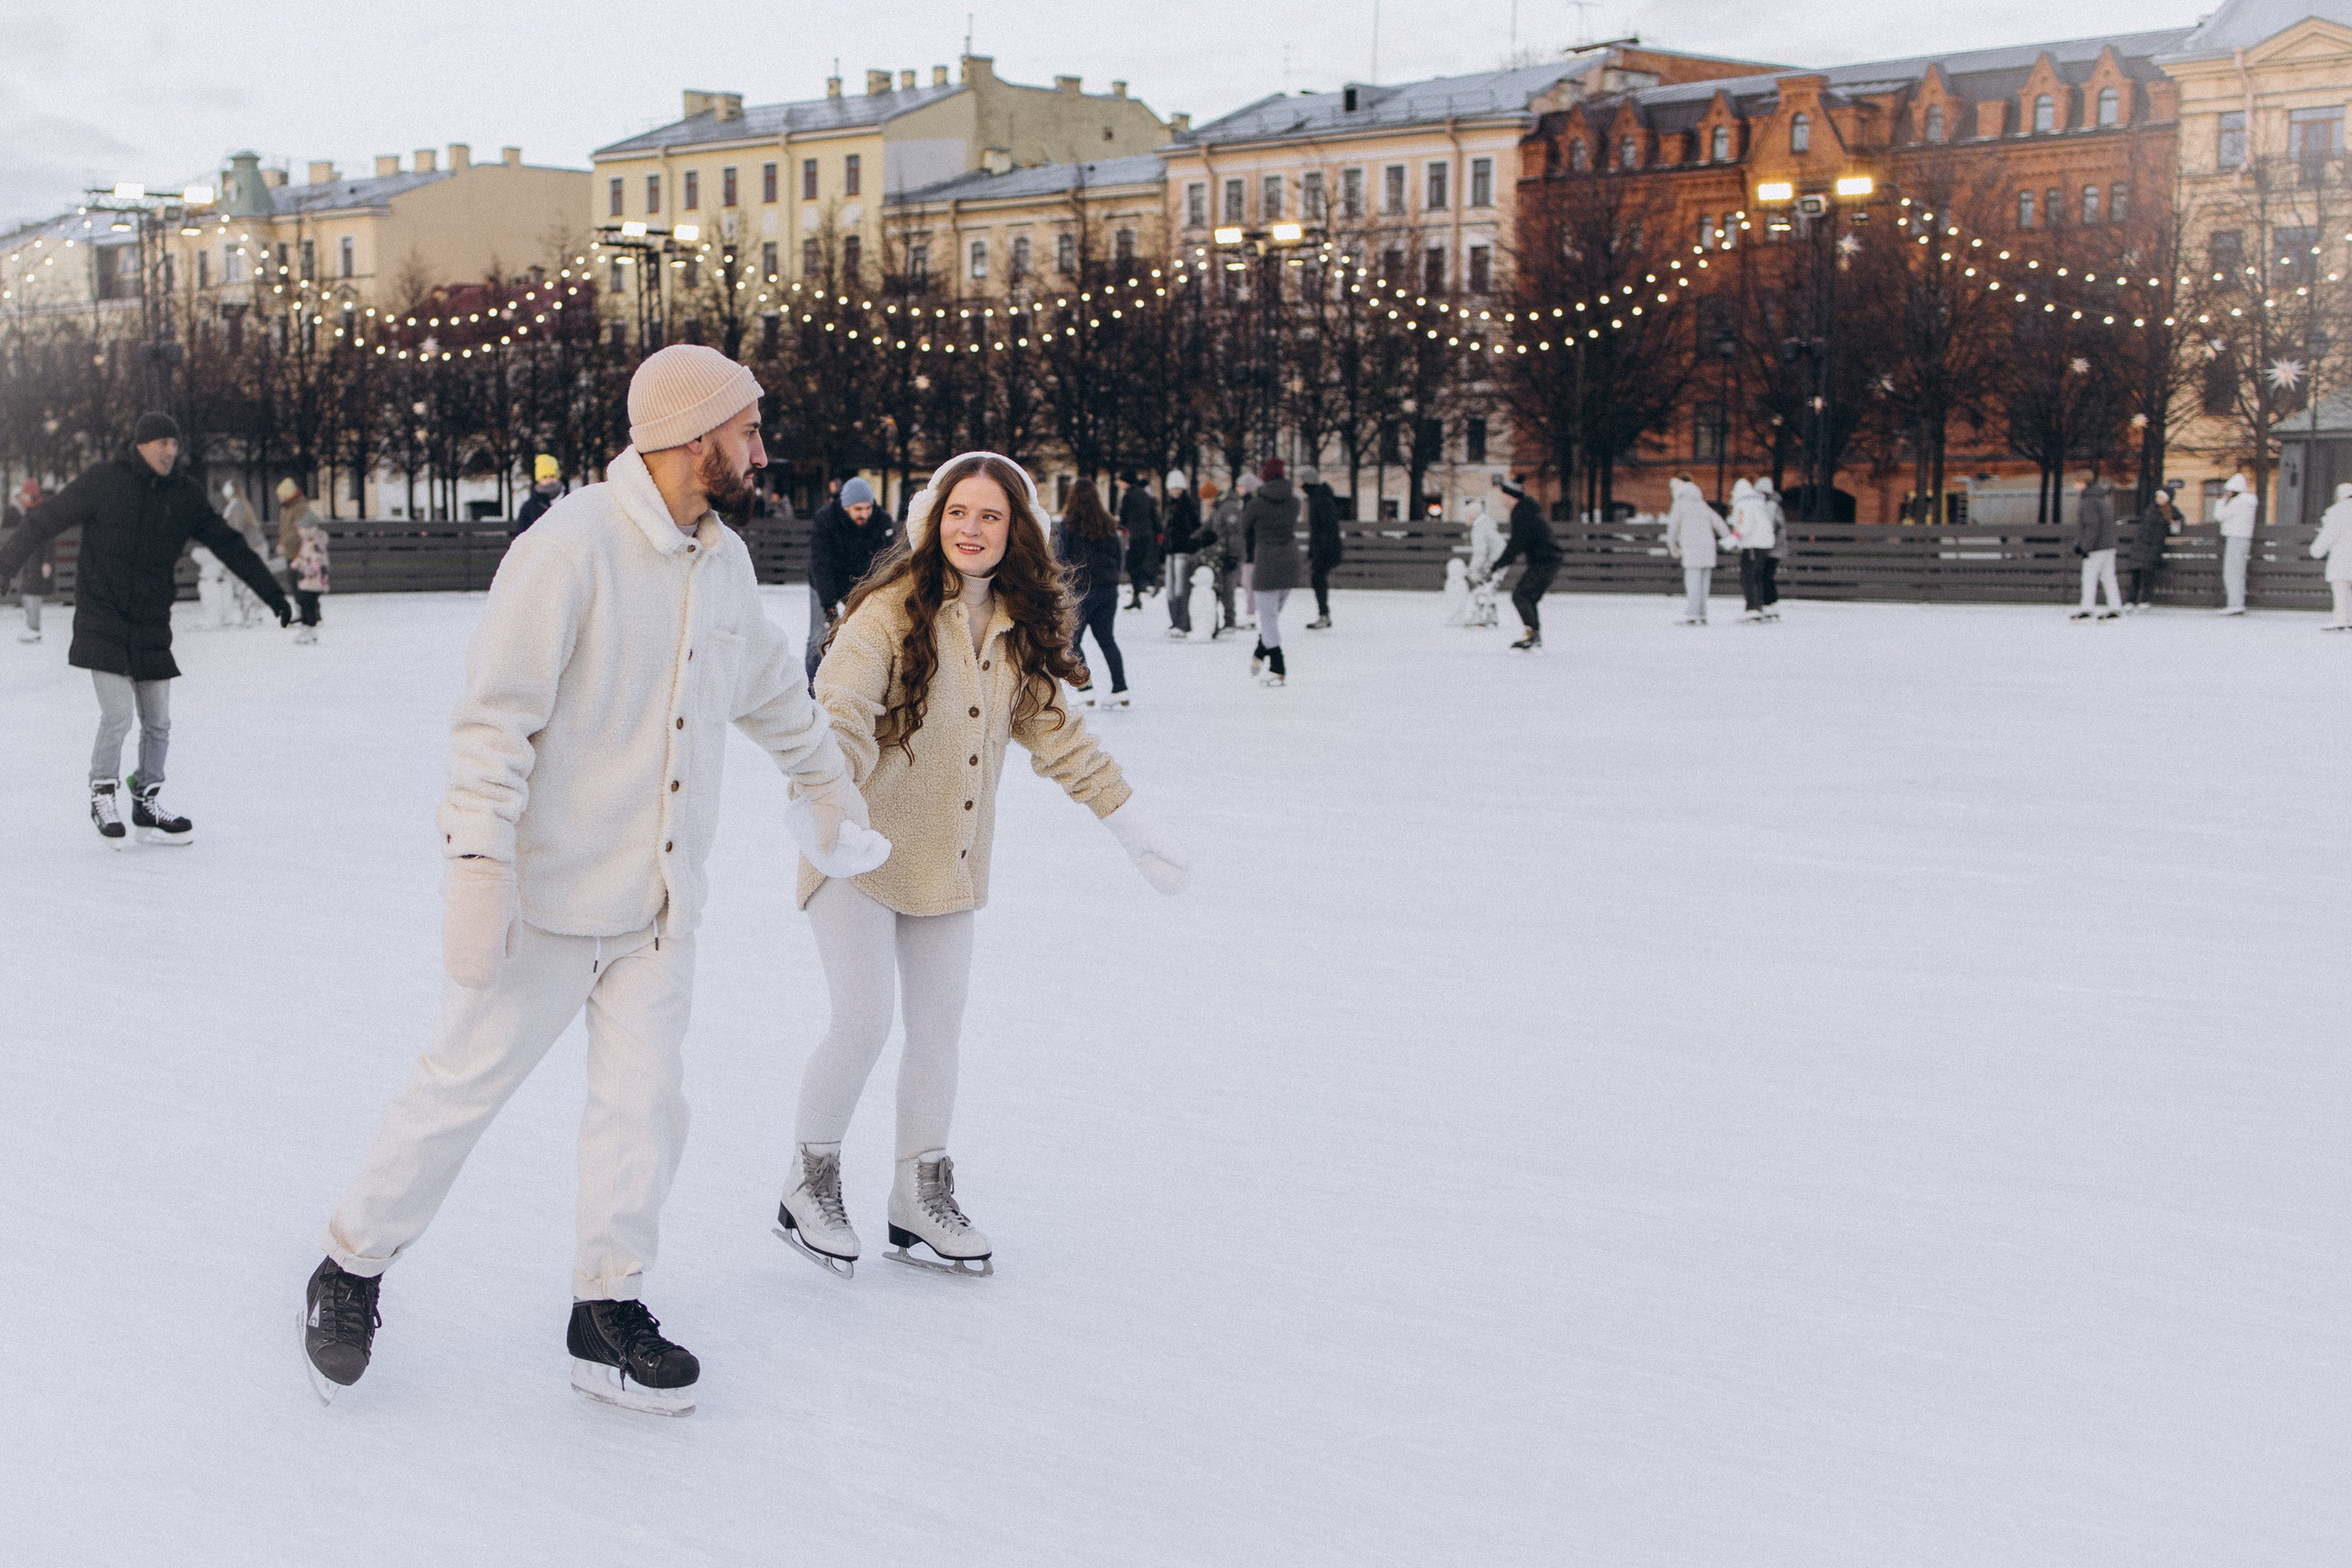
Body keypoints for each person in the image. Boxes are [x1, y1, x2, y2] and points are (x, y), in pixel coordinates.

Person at [301, 344, 872, 1416]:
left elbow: (766, 691)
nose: (762, 449)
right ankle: (349, 1267)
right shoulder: (567, 550)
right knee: (459, 1088)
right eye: (748, 431)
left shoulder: (724, 561)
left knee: (643, 1108)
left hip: (659, 904)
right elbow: (494, 719)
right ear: (695, 437)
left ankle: (604, 1309)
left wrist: (828, 785)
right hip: (549, 900)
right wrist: (478, 861)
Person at [775, 450, 1186, 1280]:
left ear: (1015, 531)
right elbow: (841, 710)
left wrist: (1129, 820)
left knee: (938, 1031)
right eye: (960, 512)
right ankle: (807, 1182)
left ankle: (916, 1195)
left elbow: (1061, 738)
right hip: (852, 851)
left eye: (991, 516)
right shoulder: (888, 612)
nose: (972, 528)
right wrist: (831, 807)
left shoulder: (1013, 627)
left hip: (946, 862)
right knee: (862, 1020)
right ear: (935, 519)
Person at [0, 412, 292, 847]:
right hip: (103, 617)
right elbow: (45, 520)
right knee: (118, 717)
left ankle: (146, 801)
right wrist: (5, 567)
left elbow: (228, 543)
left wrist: (273, 594)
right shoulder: (103, 481)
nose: (170, 451)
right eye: (161, 443)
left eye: (174, 444)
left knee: (158, 722)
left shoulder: (185, 495)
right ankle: (103, 793)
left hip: (152, 621)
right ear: (140, 445)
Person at [806, 476, 892, 684]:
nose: (865, 514)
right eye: (858, 509)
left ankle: (856, 682)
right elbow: (821, 564)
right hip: (824, 582)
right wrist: (829, 605)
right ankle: (813, 685)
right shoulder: (826, 519)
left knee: (866, 633)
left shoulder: (881, 520)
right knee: (820, 635)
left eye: (868, 508)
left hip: (861, 584)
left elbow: (887, 560)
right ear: (845, 508)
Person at [1056, 478, 1127, 706]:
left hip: (1081, 591)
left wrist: (1061, 584)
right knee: (1107, 640)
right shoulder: (1108, 525)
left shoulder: (1069, 525)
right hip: (1108, 589)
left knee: (1073, 640)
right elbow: (1118, 557)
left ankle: (1085, 687)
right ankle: (1120, 688)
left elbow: (1062, 559)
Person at [1242, 457, 1302, 685]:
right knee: (1271, 618)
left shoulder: (1257, 504)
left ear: (1264, 477)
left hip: (1266, 564)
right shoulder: (1295, 502)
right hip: (1290, 564)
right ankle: (1260, 651)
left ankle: (1277, 667)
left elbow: (1244, 528)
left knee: (1268, 620)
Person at [1494, 476, 1561, 649]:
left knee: (1521, 595)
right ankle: (1533, 635)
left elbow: (1517, 542)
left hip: (1546, 560)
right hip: (1547, 559)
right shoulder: (1527, 509)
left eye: (1503, 496)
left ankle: (1533, 636)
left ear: (1511, 496)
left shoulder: (1522, 512)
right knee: (1527, 597)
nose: (1502, 499)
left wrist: (1501, 563)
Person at [1660, 474, 1726, 627]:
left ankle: (1692, 614)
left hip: (1691, 548)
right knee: (1704, 584)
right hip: (1708, 548)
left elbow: (1673, 527)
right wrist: (1729, 538)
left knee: (1693, 583)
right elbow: (1718, 522)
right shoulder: (1701, 503)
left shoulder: (1680, 503)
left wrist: (1672, 545)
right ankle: (1702, 614)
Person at [277, 479, 330, 645]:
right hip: (298, 558)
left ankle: (311, 622)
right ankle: (308, 623)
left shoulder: (300, 509)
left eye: (281, 495)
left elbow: (297, 532)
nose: (279, 498)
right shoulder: (287, 508)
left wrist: (286, 544)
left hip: (305, 566)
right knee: (301, 594)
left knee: (306, 596)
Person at [1724, 478, 1781, 623]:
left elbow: (1745, 525)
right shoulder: (1756, 501)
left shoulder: (1744, 503)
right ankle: (1758, 607)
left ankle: (1753, 609)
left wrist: (1731, 540)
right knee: (1756, 576)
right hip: (1764, 544)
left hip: (1753, 545)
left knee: (1747, 577)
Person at [2070, 471, 2123, 621]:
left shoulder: (2088, 500)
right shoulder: (2100, 498)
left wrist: (2084, 547)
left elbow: (2091, 526)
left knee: (2089, 577)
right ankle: (2115, 607)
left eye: (2076, 482)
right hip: (2108, 544)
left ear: (2083, 483)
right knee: (2108, 577)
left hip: (2096, 546)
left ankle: (2087, 609)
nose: (2075, 485)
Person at [2123, 479, 2183, 612]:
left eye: (2161, 497)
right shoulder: (2150, 509)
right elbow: (2142, 522)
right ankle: (2131, 600)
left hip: (2154, 547)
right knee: (2136, 574)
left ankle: (2145, 599)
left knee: (2148, 575)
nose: (2158, 499)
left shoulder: (2170, 511)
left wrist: (2174, 525)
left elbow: (2176, 526)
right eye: (2158, 496)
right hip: (2141, 546)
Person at [219, 480, 273, 626]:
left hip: (252, 547)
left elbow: (236, 529)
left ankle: (252, 614)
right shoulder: (239, 504)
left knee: (248, 581)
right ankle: (252, 613)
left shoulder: (236, 506)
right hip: (254, 546)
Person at [7, 479, 52, 642]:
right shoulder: (29, 512)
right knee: (27, 593)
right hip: (30, 558)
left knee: (31, 593)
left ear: (31, 495)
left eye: (25, 494)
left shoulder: (39, 513)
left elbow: (47, 538)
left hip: (37, 558)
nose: (22, 497)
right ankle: (32, 627)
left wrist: (46, 561)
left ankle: (34, 628)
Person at [1161, 469, 1200, 639]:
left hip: (1183, 551)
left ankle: (1183, 623)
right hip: (1171, 551)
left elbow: (1194, 528)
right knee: (1170, 589)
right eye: (1172, 488)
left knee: (1181, 590)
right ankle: (1175, 621)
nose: (1175, 491)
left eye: (1178, 488)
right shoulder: (1168, 505)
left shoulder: (1188, 506)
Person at [1202, 479, 1243, 637]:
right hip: (1220, 552)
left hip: (1231, 553)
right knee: (1220, 586)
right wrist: (1194, 539)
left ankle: (1230, 622)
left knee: (1228, 588)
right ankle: (1219, 622)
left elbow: (1235, 534)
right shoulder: (1218, 508)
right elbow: (1208, 526)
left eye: (1206, 498)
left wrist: (1233, 555)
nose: (1205, 502)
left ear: (1212, 496)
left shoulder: (1229, 507)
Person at [1303, 467, 1342, 629]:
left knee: (1318, 579)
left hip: (1325, 549)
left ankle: (1324, 615)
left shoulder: (1321, 499)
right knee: (1318, 579)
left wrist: (1320, 550)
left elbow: (1327, 527)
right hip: (1323, 547)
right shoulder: (1318, 498)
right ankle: (1323, 614)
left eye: (1303, 481)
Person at [2213, 473, 2258, 615]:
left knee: (2231, 572)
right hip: (2243, 538)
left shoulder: (2237, 502)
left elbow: (2219, 515)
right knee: (2238, 572)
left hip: (2235, 538)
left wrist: (2222, 501)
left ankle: (2235, 603)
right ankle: (2237, 602)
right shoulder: (2248, 502)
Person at [2310, 481, 2352, 630]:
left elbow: (2329, 535)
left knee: (2341, 589)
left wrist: (2316, 550)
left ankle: (2341, 619)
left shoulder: (2337, 511)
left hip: (2342, 557)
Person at [1119, 470, 1160, 611]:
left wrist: (1122, 527)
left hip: (1135, 535)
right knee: (1139, 564)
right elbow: (1153, 514)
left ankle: (1149, 582)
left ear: (1126, 482)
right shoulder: (1145, 495)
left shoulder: (1128, 496)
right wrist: (1158, 531)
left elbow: (1123, 517)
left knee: (1132, 566)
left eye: (1121, 481)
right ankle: (1138, 595)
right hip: (1147, 534)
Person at [513, 455, 564, 537]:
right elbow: (521, 537)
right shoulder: (529, 507)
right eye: (544, 477)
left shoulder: (569, 500)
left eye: (552, 476)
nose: (549, 480)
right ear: (539, 480)